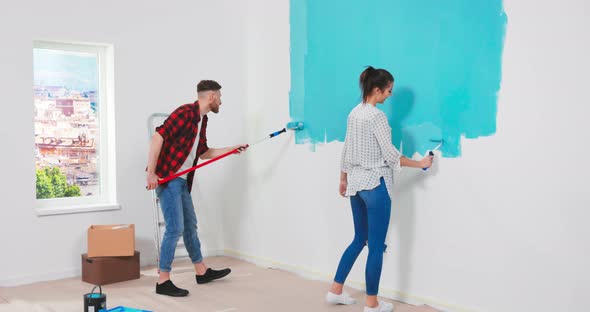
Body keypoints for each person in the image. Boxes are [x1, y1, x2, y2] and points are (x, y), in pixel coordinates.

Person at [325, 67, 434, 312]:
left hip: (355, 185)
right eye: (389, 90)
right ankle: (372, 304)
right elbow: (391, 156)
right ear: (377, 90)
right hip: (375, 186)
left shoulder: (354, 113)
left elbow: (346, 150)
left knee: (358, 239)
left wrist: (343, 178)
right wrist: (421, 163)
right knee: (375, 246)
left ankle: (335, 291)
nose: (390, 95)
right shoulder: (376, 117)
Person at [146, 80, 248, 297]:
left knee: (190, 226)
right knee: (174, 229)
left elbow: (203, 152)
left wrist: (231, 149)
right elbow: (158, 137)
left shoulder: (202, 120)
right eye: (219, 96)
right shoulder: (185, 113)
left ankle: (201, 272)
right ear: (211, 97)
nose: (221, 101)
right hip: (169, 179)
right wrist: (151, 173)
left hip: (183, 181)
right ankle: (163, 281)